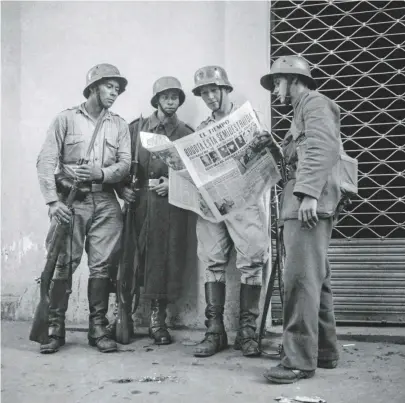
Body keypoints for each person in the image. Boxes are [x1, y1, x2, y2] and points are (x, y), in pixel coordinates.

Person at [36, 63, 131, 354]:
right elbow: (46, 160)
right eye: (109, 87)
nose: (114, 93)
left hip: (105, 203)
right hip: (72, 203)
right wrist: (53, 202)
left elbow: (124, 164)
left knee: (102, 266)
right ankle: (54, 328)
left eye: (117, 89)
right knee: (64, 263)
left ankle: (98, 328)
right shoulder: (65, 119)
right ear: (93, 87)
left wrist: (100, 175)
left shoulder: (119, 124)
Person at [260, 55, 341, 383]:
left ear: (292, 80)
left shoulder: (314, 103)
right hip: (306, 202)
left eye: (277, 82)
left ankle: (298, 361)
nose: (276, 89)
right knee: (316, 281)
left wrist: (308, 192)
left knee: (300, 283)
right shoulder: (301, 112)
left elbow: (324, 147)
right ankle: (324, 351)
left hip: (308, 203)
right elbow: (301, 155)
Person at [191, 65, 281, 358]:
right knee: (212, 261)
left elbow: (271, 159)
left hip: (245, 203)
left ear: (225, 90)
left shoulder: (248, 119)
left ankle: (247, 333)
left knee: (252, 261)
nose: (209, 97)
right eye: (204, 93)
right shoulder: (203, 129)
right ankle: (214, 332)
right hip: (212, 205)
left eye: (213, 90)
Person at [118, 76, 193, 345]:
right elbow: (119, 164)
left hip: (170, 208)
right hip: (138, 205)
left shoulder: (186, 133)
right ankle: (122, 313)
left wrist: (173, 184)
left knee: (163, 261)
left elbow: (196, 174)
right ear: (157, 100)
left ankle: (157, 321)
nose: (171, 101)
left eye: (175, 97)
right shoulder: (135, 128)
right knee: (130, 258)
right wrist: (121, 190)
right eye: (165, 97)